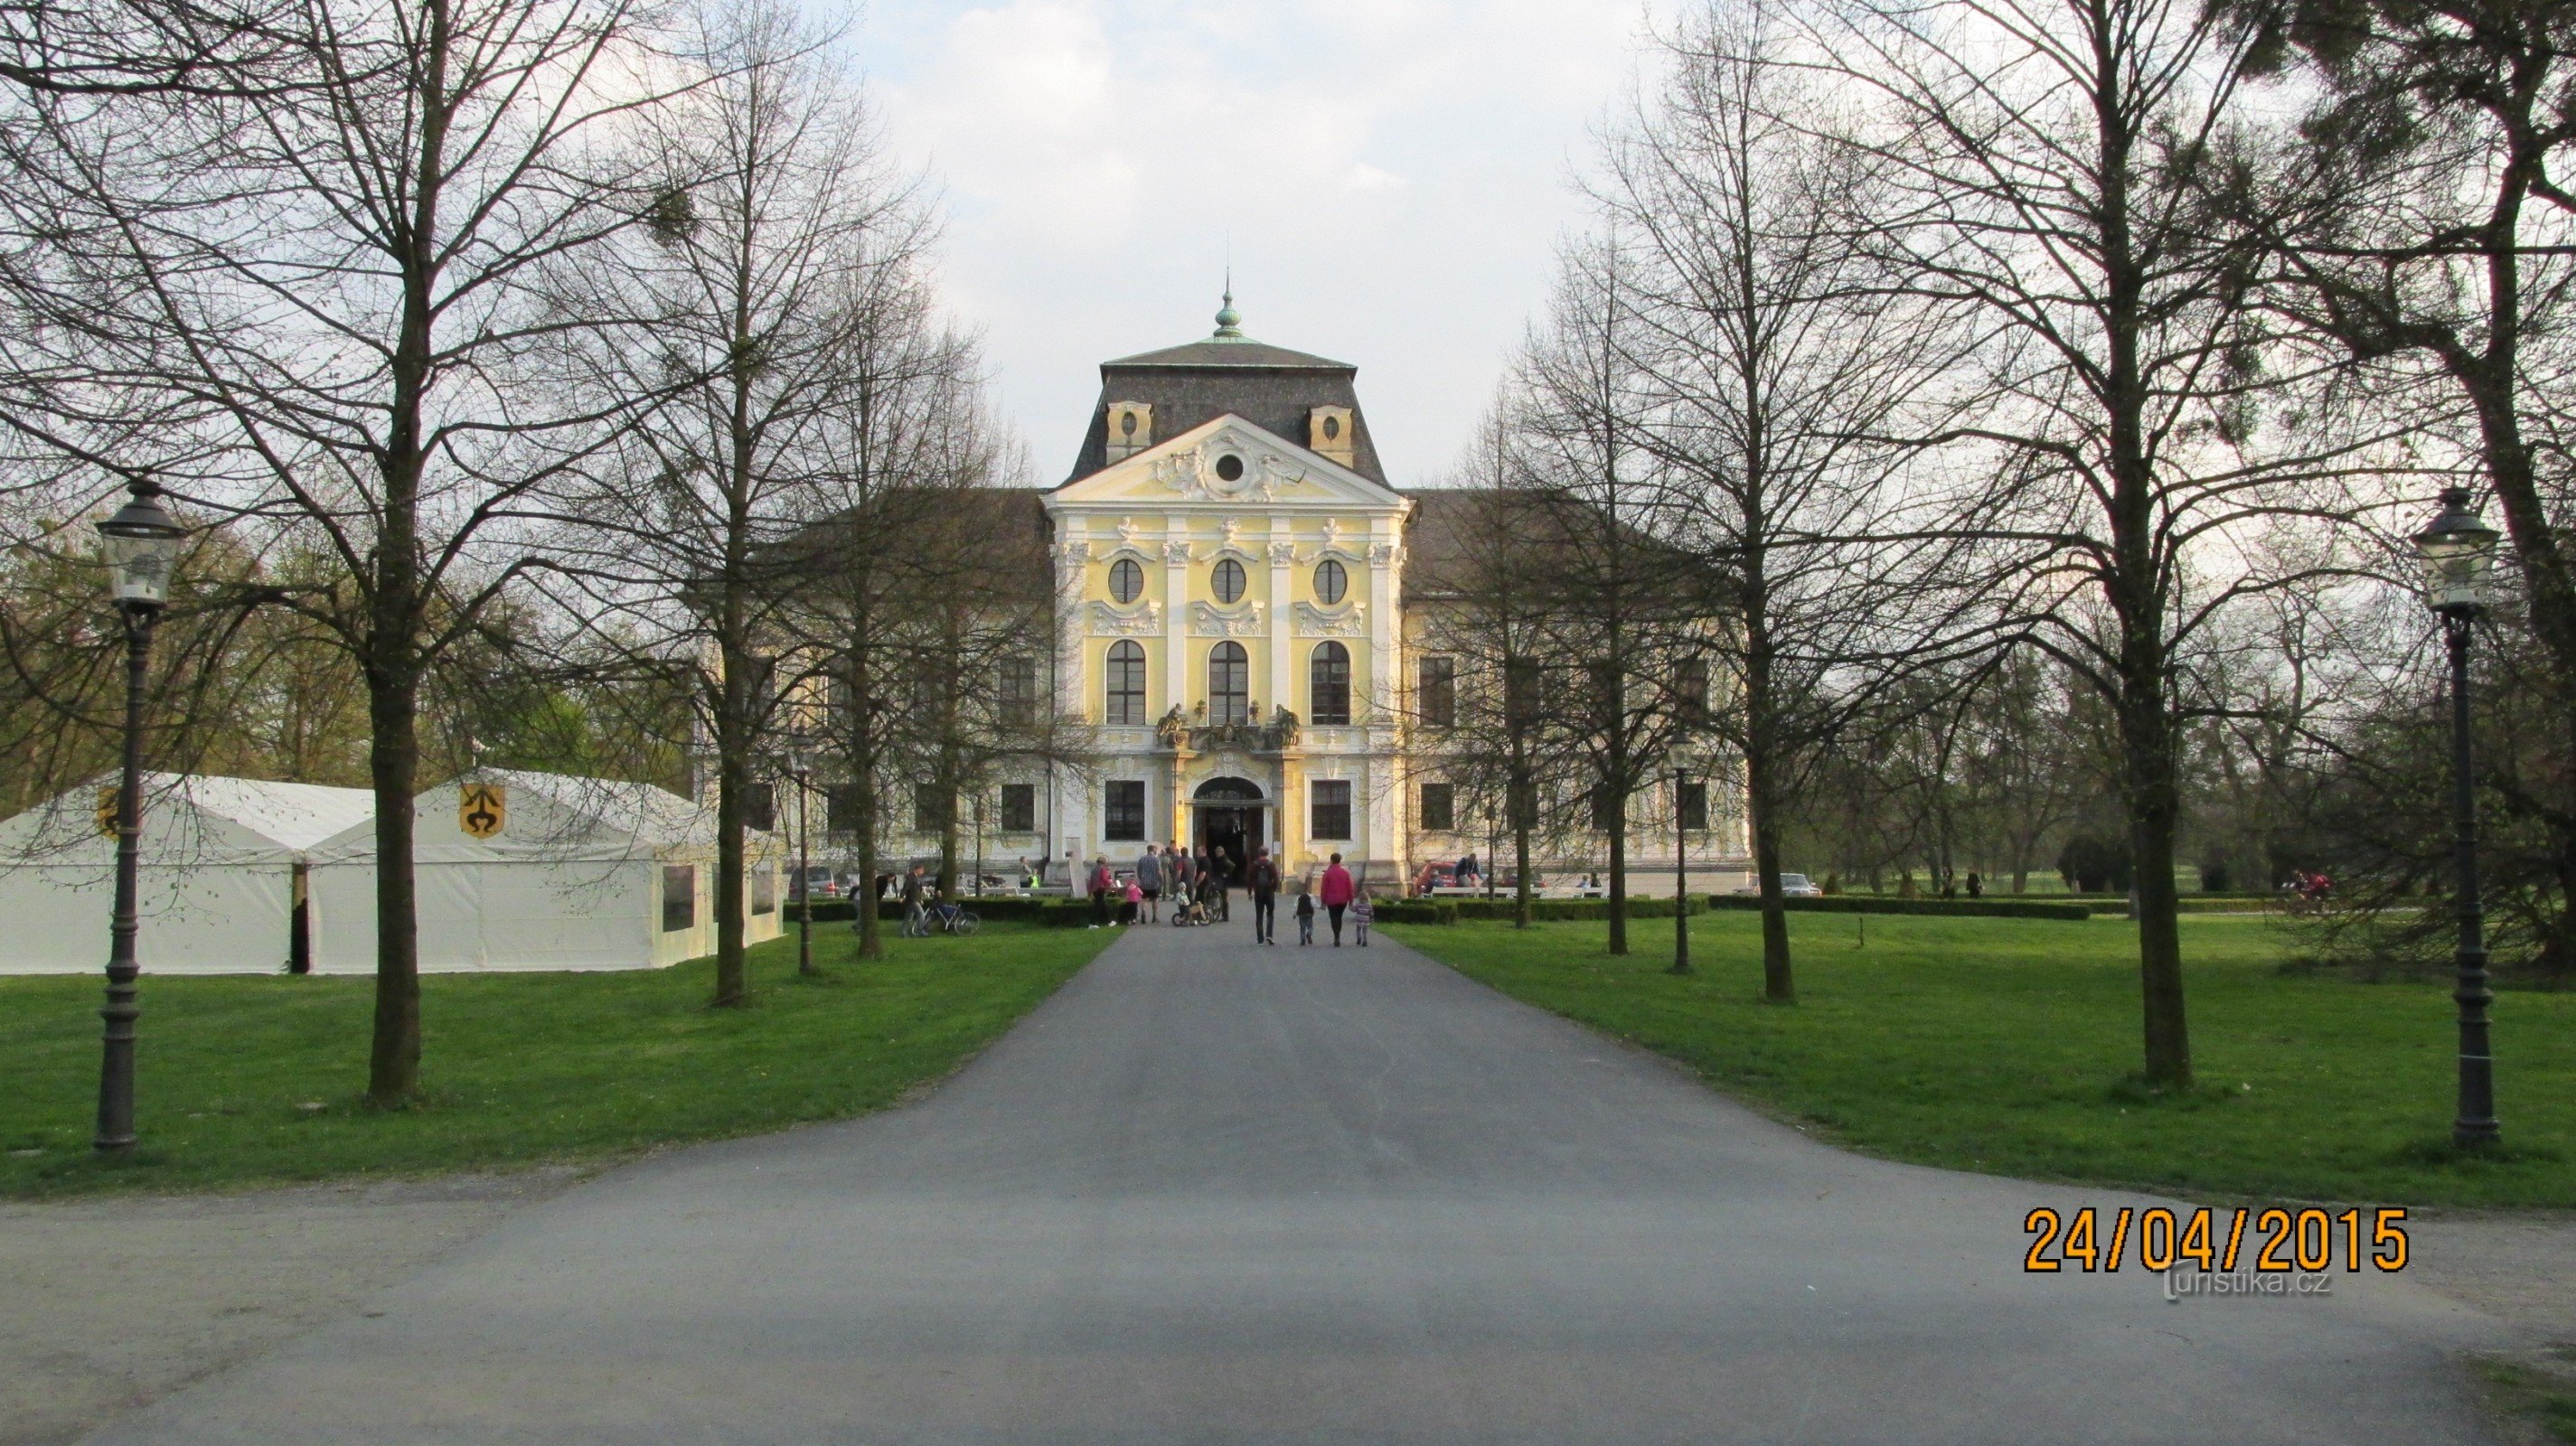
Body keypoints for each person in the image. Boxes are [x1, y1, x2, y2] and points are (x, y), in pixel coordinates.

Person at [1320, 851, 1354, 946]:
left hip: (1331, 900)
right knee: (1339, 917)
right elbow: (1350, 887)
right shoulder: (1345, 873)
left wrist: (1323, 902)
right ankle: (1338, 936)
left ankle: (1336, 936)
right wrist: (1351, 901)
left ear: (1331, 860)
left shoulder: (1327, 873)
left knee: (1334, 917)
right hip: (1343, 900)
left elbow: (1324, 888)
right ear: (1340, 860)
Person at [1247, 846, 1281, 944]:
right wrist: (1273, 888)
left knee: (1259, 915)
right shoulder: (1271, 864)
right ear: (1267, 853)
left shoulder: (1254, 865)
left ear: (1259, 853)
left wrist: (1250, 892)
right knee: (1270, 913)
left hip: (1258, 891)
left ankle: (1260, 938)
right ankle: (1269, 935)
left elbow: (1250, 880)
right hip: (1269, 891)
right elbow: (1276, 878)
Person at [1138, 844, 1163, 923]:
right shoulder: (1156, 860)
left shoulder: (1142, 859)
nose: (1156, 851)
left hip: (1144, 882)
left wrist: (1141, 878)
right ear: (1153, 850)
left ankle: (1143, 913)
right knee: (1155, 899)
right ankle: (1154, 916)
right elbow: (1159, 871)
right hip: (1154, 883)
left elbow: (1139, 871)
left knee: (1144, 899)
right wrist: (1162, 879)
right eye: (1156, 849)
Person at [1089, 856, 1114, 927]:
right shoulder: (1103, 868)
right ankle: (1092, 923)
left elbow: (1091, 880)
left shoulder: (1093, 869)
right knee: (1097, 906)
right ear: (1104, 862)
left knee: (1103, 905)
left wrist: (1090, 890)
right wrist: (1110, 882)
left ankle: (1109, 921)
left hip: (1094, 888)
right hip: (1101, 888)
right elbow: (1104, 878)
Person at [1293, 881, 1315, 945]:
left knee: (1302, 928)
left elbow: (1296, 906)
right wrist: (1321, 907)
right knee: (1310, 926)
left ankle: (1303, 940)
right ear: (1308, 888)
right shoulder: (1311, 896)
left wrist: (1294, 914)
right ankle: (1309, 933)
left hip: (1301, 914)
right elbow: (1314, 904)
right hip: (1309, 914)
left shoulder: (1298, 897)